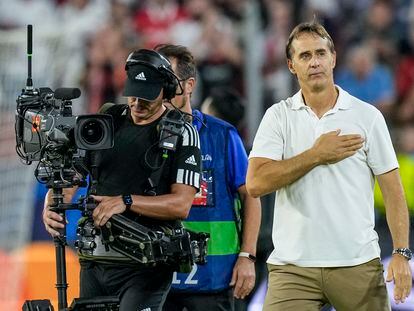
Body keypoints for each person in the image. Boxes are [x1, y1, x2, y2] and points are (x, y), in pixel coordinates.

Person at [246, 21, 412, 310]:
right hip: (292, 267)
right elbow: (256, 183)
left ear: (333, 58)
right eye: (305, 56)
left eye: (321, 53)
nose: (315, 62)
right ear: (290, 65)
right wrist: (316, 155)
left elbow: (393, 190)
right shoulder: (278, 117)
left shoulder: (367, 116)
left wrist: (400, 252)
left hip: (357, 263)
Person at [42, 49, 202, 311]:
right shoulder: (106, 121)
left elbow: (181, 204)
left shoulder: (182, 132)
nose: (137, 102)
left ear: (166, 91)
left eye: (146, 96)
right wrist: (52, 202)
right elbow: (73, 175)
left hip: (145, 267)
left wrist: (125, 201)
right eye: (133, 93)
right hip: (95, 259)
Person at [155, 44, 261, 311]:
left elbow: (251, 195)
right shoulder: (141, 135)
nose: (162, 91)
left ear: (189, 85)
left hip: (214, 279)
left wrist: (247, 256)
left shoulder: (222, 135)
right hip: (156, 281)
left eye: (169, 81)